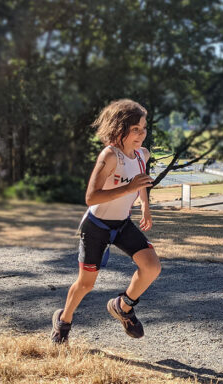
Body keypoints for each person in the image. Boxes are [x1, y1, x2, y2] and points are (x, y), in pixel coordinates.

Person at [51, 99, 160, 343]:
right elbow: (91, 197)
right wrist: (128, 188)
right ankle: (63, 321)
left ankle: (123, 307)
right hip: (96, 226)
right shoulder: (110, 156)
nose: (141, 134)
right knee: (86, 284)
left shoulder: (143, 155)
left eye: (144, 128)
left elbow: (140, 180)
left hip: (121, 224)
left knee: (152, 267)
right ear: (118, 129)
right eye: (135, 129)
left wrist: (145, 206)